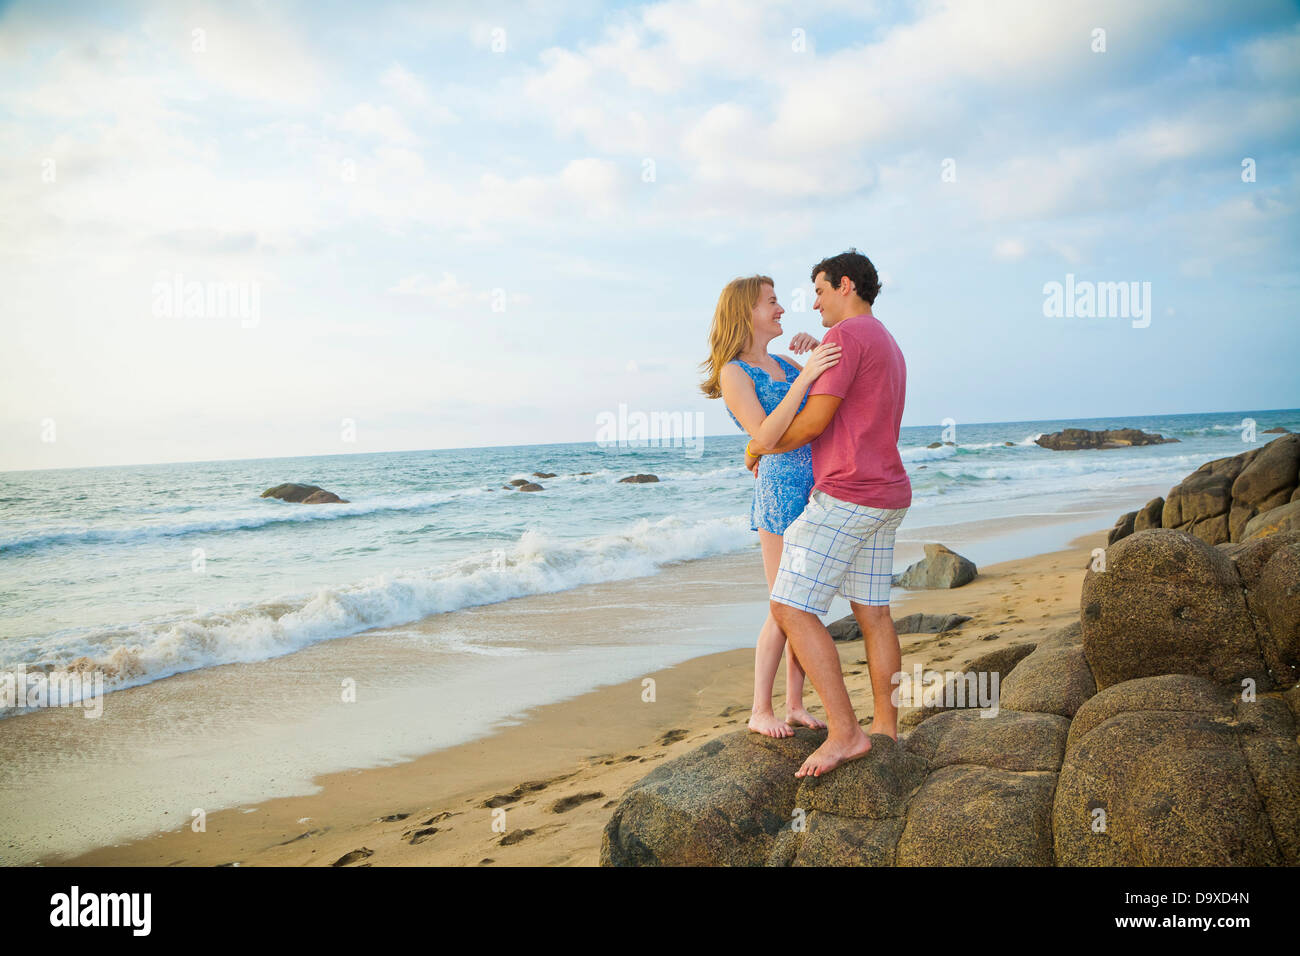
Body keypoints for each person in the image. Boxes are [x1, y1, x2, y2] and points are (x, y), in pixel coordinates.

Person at [746, 250, 911, 777]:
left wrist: (764, 446)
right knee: (874, 612)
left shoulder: (845, 337)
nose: (812, 301)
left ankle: (846, 734)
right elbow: (860, 401)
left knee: (790, 607)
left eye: (818, 290)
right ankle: (885, 728)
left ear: (844, 285)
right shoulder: (884, 339)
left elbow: (815, 423)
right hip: (888, 493)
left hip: (848, 492)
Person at [699, 274, 843, 738]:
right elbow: (763, 434)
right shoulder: (734, 373)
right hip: (780, 492)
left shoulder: (784, 360)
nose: (782, 309)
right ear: (747, 313)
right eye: (773, 302)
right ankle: (760, 709)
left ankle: (795, 703)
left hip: (815, 486)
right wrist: (807, 375)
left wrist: (819, 352)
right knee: (783, 604)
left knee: (803, 604)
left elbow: (818, 417)